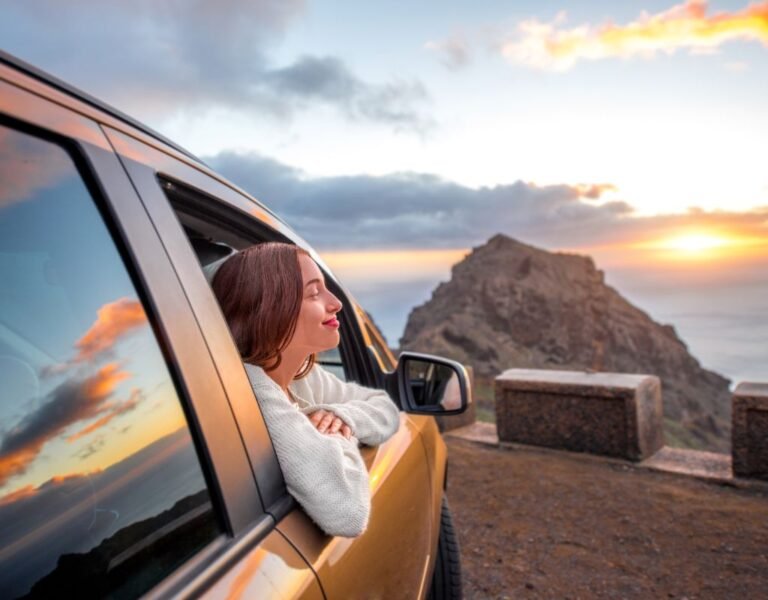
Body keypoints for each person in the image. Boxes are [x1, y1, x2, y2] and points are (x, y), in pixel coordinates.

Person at [210, 242, 400, 537]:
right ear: (271, 309)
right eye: (314, 292)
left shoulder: (299, 375)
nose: (336, 302)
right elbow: (348, 514)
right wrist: (337, 436)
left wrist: (342, 416)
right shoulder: (255, 394)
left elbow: (385, 408)